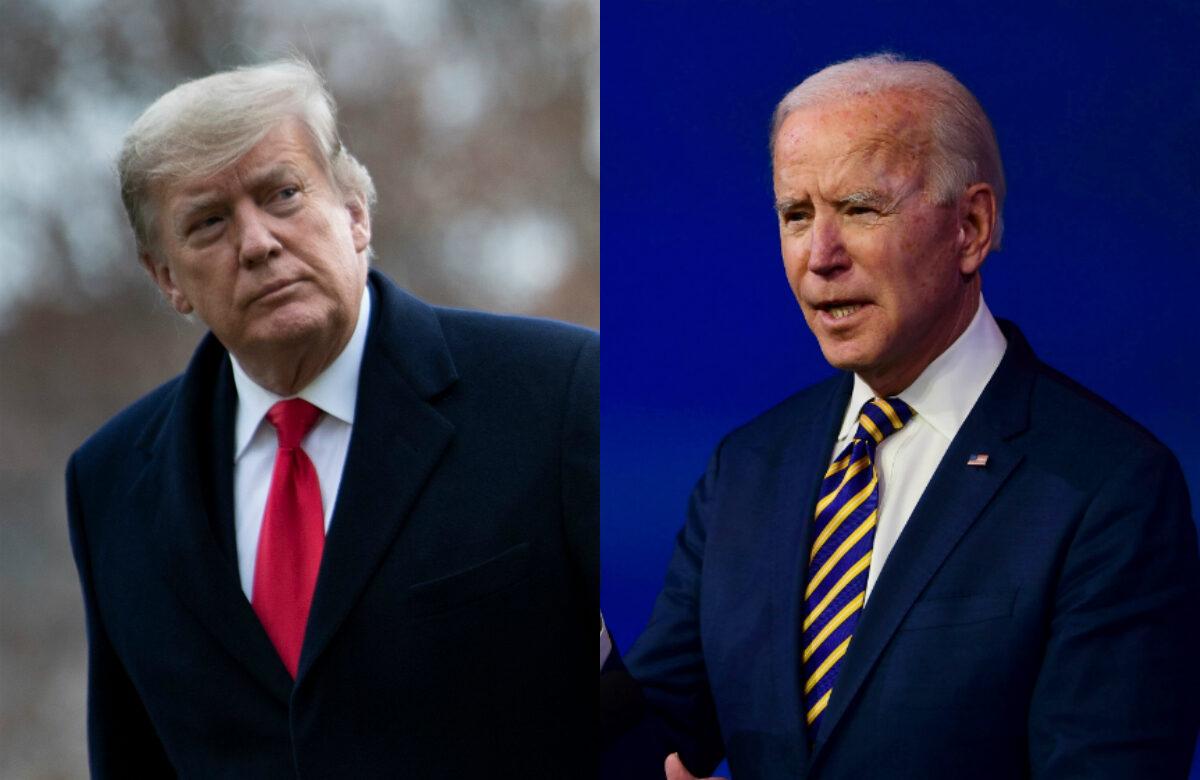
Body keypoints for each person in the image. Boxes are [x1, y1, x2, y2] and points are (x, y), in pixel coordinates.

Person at [601, 54, 1200, 779]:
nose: (820, 256)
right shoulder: (748, 471)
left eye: (860, 209)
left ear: (971, 227)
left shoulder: (1110, 489)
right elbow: (646, 743)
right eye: (797, 216)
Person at [65, 59, 597, 778]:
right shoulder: (108, 484)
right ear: (167, 278)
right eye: (209, 222)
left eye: (282, 194)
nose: (257, 243)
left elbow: (668, 685)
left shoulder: (556, 393)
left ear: (354, 211)